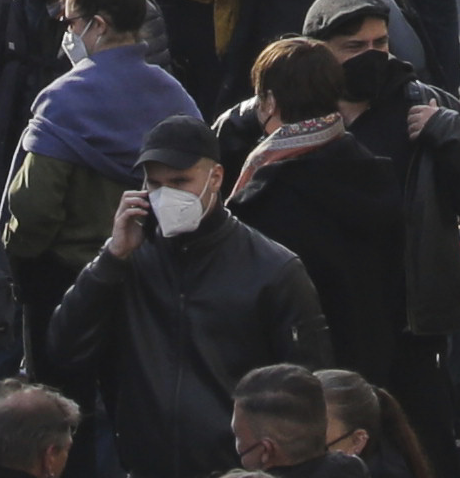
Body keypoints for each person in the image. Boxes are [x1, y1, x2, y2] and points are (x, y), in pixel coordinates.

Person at [34, 118, 327, 478]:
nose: (165, 195)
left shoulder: (272, 269)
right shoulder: (130, 262)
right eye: (154, 184)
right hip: (144, 465)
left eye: (179, 182)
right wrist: (112, 258)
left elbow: (306, 388)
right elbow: (65, 348)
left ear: (215, 178)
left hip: (235, 469)